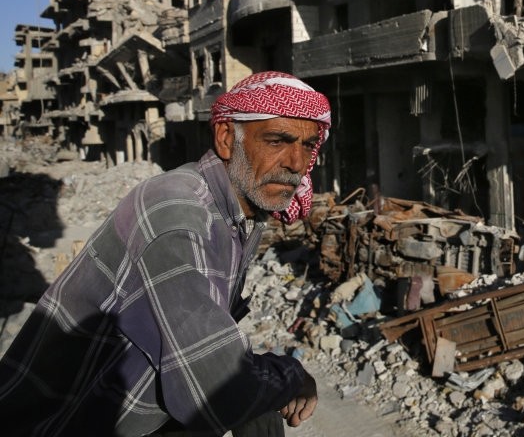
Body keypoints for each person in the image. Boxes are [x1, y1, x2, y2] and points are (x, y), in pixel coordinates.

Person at [0, 71, 332, 436]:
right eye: (277, 141)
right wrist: (292, 375)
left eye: (307, 145)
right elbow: (218, 389)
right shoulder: (178, 211)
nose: (297, 163)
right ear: (226, 138)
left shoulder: (235, 214)